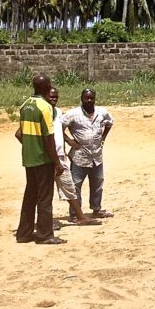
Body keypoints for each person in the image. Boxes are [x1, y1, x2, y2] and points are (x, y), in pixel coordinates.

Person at [14, 73, 65, 245]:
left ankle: (24, 233)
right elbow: (48, 137)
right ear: (45, 87)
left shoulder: (25, 105)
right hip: (43, 159)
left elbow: (20, 133)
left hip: (29, 158)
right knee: (45, 197)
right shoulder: (45, 107)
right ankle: (45, 234)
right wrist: (57, 162)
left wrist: (30, 146)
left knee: (30, 195)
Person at [48, 87, 101, 227]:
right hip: (48, 157)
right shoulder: (45, 112)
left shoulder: (58, 112)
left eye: (55, 97)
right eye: (51, 96)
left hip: (61, 157)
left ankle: (80, 217)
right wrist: (70, 141)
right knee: (46, 191)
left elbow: (59, 130)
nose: (53, 99)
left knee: (70, 188)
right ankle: (46, 221)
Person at [63, 88, 115, 219]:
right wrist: (69, 140)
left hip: (96, 156)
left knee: (97, 183)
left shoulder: (102, 112)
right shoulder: (73, 114)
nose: (89, 100)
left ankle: (96, 209)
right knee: (76, 185)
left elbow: (110, 122)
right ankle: (75, 214)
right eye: (87, 98)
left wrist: (103, 137)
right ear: (81, 99)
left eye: (92, 98)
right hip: (79, 157)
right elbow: (58, 127)